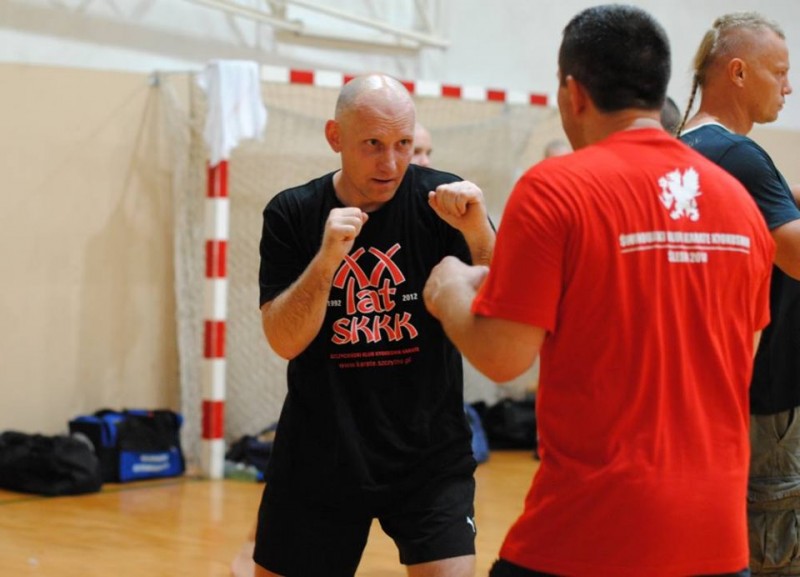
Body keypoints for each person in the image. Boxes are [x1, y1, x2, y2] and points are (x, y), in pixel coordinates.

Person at [423, 5, 774, 577]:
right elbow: (738, 360)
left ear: (573, 93)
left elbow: (503, 356)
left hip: (587, 535)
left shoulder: (555, 188)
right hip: (717, 538)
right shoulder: (739, 203)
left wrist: (450, 291)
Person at [253, 73, 495, 577]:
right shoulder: (293, 213)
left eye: (403, 144)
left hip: (428, 457)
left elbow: (503, 310)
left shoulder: (441, 204)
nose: (391, 164)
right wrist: (326, 261)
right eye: (373, 144)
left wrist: (478, 230)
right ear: (335, 137)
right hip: (320, 456)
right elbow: (284, 340)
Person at [677, 12, 800, 576]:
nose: (788, 88)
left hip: (717, 393)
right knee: (773, 553)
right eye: (780, 72)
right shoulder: (741, 157)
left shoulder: (684, 149)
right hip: (767, 390)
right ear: (739, 72)